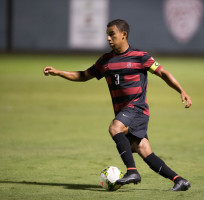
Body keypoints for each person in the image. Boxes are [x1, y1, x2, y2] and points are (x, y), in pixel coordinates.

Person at [43, 19, 192, 191]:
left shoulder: (140, 56)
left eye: (112, 34)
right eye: (107, 35)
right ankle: (179, 180)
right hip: (124, 112)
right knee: (143, 149)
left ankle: (132, 171)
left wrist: (181, 90)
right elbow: (83, 75)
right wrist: (59, 72)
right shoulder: (105, 61)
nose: (108, 38)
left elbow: (163, 73)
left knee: (115, 128)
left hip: (137, 109)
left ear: (124, 34)